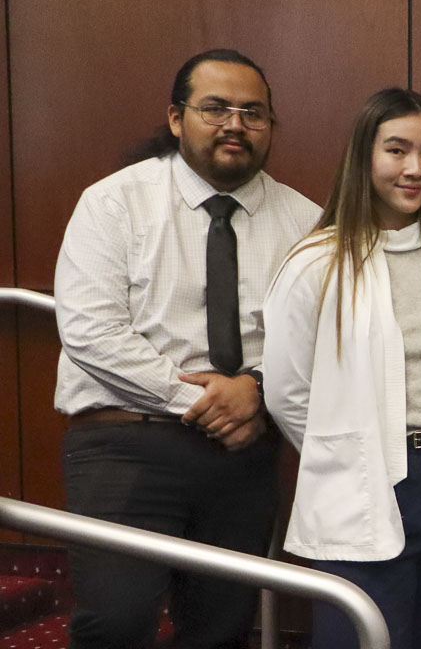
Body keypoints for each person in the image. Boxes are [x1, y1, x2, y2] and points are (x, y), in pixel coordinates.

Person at [53, 48, 320, 648]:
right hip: (125, 444)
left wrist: (253, 388)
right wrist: (205, 401)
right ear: (176, 119)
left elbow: (317, 340)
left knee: (221, 629)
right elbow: (93, 334)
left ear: (271, 126)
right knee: (115, 624)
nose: (235, 124)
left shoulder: (306, 222)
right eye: (215, 108)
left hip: (243, 456)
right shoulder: (113, 203)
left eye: (253, 112)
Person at [263, 87, 421, 649]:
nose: (415, 168)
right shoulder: (315, 263)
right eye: (396, 150)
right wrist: (350, 452)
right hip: (365, 488)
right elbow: (287, 392)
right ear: (364, 157)